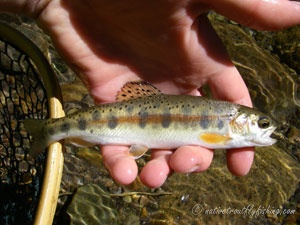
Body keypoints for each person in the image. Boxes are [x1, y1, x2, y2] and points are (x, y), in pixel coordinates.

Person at [2, 0, 300, 188]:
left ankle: (53, 129)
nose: (266, 128)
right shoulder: (225, 120)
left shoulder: (226, 118)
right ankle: (52, 130)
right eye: (262, 124)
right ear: (241, 121)